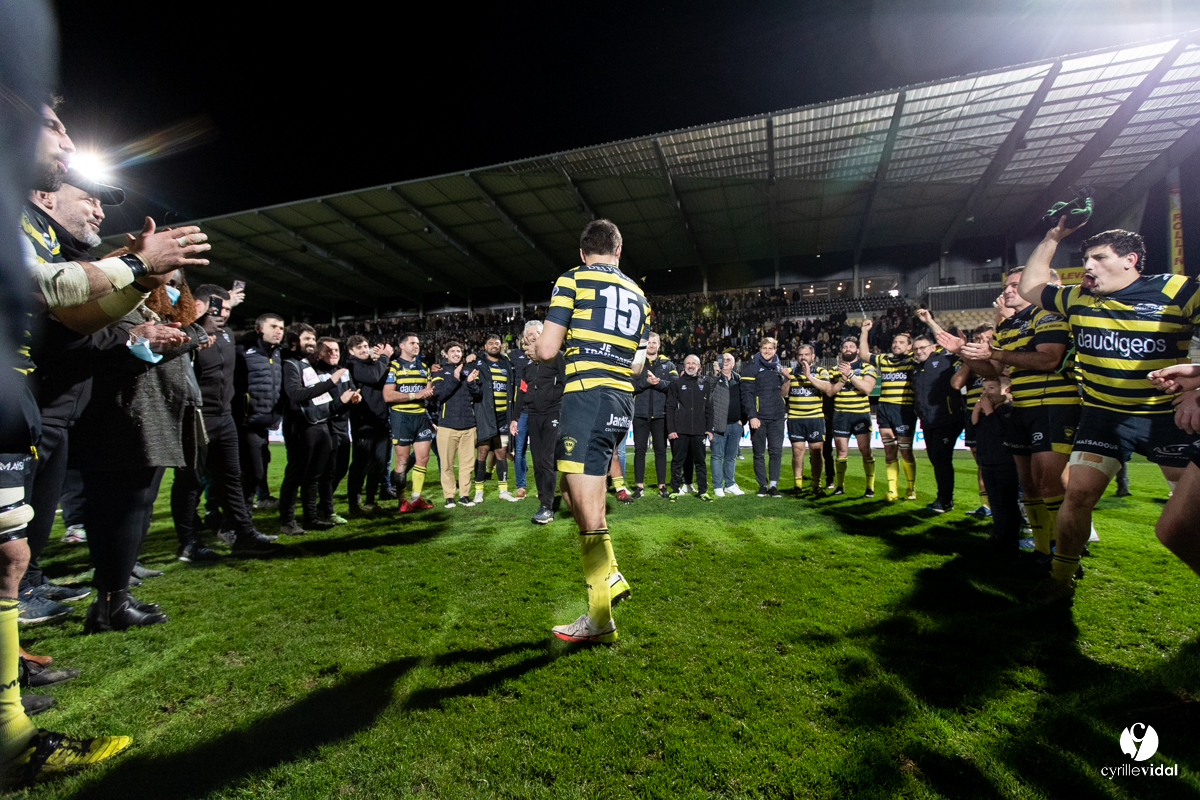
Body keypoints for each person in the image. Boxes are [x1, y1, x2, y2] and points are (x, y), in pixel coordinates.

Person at [1017, 221, 1200, 603]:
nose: (1088, 266)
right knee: (1078, 495)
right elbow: (1029, 287)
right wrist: (1052, 237)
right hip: (1103, 416)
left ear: (1130, 261)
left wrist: (1198, 382)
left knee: (1187, 517)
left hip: (1166, 417)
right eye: (1085, 259)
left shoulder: (1177, 290)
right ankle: (1060, 578)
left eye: (1099, 258)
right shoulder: (1077, 297)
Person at [534, 219, 646, 643]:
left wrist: (571, 348)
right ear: (619, 250)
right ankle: (610, 580)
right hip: (621, 398)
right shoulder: (639, 294)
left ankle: (599, 614)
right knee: (571, 490)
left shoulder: (572, 279)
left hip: (588, 396)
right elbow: (637, 363)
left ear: (583, 253)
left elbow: (546, 350)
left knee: (588, 509)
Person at [956, 267, 1080, 569]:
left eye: (1016, 285)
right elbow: (994, 373)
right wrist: (966, 354)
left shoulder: (1050, 316)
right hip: (1021, 408)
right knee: (1030, 484)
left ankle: (1065, 553)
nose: (1009, 290)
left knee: (1049, 482)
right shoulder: (1009, 326)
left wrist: (996, 354)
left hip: (1052, 405)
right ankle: (1041, 550)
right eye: (1008, 285)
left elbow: (1049, 359)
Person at [171, 285, 276, 558]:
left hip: (225, 418)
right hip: (196, 417)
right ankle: (188, 542)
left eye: (229, 309)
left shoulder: (228, 335)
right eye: (221, 309)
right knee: (190, 481)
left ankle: (244, 534)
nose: (226, 315)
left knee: (232, 478)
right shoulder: (185, 336)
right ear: (200, 306)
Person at [278, 324, 344, 533]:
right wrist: (330, 383)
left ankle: (310, 518)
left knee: (314, 476)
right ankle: (287, 521)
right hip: (301, 425)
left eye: (312, 339)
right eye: (306, 338)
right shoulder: (289, 364)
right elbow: (296, 394)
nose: (311, 343)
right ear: (293, 341)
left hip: (319, 422)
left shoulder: (305, 363)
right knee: (295, 475)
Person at [511, 326, 566, 524]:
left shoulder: (558, 357)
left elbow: (567, 384)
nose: (527, 344)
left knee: (548, 460)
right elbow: (523, 392)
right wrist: (515, 417)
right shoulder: (527, 367)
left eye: (532, 337)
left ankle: (547, 506)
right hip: (533, 415)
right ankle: (544, 502)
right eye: (526, 339)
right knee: (537, 460)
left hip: (553, 413)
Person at [910, 321, 965, 513]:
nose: (918, 351)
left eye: (922, 347)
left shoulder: (945, 359)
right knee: (936, 459)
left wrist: (928, 321)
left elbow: (947, 341)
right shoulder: (916, 367)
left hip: (947, 419)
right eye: (915, 349)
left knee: (941, 458)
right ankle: (943, 498)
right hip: (928, 421)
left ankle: (945, 500)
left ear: (934, 347)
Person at [859, 319, 916, 501]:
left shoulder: (913, 360)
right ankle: (892, 490)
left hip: (904, 410)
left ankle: (910, 488)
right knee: (889, 451)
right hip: (884, 409)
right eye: (894, 342)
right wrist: (865, 331)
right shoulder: (884, 359)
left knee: (906, 451)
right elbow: (864, 354)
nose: (896, 345)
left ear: (909, 346)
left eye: (901, 343)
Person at [235, 313, 284, 510]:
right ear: (258, 329)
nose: (278, 331)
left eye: (281, 328)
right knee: (250, 471)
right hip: (246, 422)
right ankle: (236, 518)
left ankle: (254, 504)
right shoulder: (241, 351)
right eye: (273, 326)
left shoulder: (279, 353)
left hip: (265, 421)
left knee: (261, 465)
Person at [382, 333, 435, 512]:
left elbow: (427, 391)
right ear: (401, 346)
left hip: (420, 418)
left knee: (423, 459)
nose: (416, 346)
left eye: (418, 343)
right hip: (401, 417)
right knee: (403, 460)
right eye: (412, 343)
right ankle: (402, 500)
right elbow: (388, 395)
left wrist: (428, 392)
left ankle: (416, 498)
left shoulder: (424, 367)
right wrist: (415, 395)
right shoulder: (394, 366)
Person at [972, 375, 1023, 553]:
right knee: (995, 502)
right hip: (988, 462)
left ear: (1006, 390)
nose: (986, 393)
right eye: (984, 389)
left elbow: (1000, 431)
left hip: (1005, 463)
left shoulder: (1009, 409)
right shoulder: (987, 410)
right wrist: (977, 411)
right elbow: (974, 428)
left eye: (991, 388)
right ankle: (999, 535)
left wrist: (989, 411)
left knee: (1007, 502)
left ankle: (1011, 539)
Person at [823, 337, 878, 497]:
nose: (848, 349)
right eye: (845, 347)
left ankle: (870, 487)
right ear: (841, 351)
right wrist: (842, 379)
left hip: (860, 415)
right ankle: (840, 486)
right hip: (840, 416)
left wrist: (851, 375)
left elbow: (867, 389)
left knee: (865, 451)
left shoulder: (867, 367)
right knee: (841, 451)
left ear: (857, 350)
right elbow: (831, 391)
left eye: (851, 346)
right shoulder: (834, 370)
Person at [313, 337, 360, 523]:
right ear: (319, 353)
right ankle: (326, 510)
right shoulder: (314, 373)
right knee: (328, 472)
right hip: (326, 426)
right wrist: (341, 400)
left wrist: (356, 396)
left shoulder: (344, 372)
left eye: (336, 350)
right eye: (328, 350)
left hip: (342, 427)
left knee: (340, 469)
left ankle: (321, 506)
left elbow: (353, 390)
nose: (333, 353)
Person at [345, 335, 393, 516]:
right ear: (351, 352)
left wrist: (382, 359)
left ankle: (370, 501)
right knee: (360, 464)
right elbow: (373, 377)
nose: (365, 350)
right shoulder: (353, 365)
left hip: (380, 421)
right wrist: (384, 357)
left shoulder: (372, 364)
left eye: (366, 346)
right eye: (360, 348)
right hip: (364, 422)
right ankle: (354, 504)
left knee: (379, 463)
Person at [432, 341, 481, 508]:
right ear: (446, 354)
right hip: (447, 426)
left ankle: (465, 495)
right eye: (452, 351)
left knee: (467, 465)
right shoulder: (439, 371)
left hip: (468, 425)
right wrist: (454, 378)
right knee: (446, 464)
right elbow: (439, 395)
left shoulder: (469, 370)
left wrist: (471, 382)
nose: (456, 354)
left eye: (458, 351)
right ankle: (449, 496)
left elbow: (478, 395)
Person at [470, 334, 517, 503]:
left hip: (503, 417)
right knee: (482, 452)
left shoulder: (507, 364)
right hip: (485, 416)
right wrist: (475, 355)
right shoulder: (479, 362)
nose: (494, 346)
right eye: (490, 343)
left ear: (501, 346)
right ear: (485, 346)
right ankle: (478, 491)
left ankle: (503, 490)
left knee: (501, 452)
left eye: (497, 343)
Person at [742, 337, 789, 497]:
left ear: (775, 350)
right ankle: (762, 485)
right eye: (764, 348)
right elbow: (746, 394)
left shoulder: (778, 368)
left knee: (776, 452)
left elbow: (783, 393)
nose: (767, 351)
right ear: (760, 349)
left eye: (770, 348)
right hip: (759, 418)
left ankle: (773, 485)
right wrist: (752, 416)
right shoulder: (752, 367)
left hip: (777, 417)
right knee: (759, 453)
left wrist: (787, 379)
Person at [631, 332, 676, 498]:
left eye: (654, 342)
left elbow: (674, 386)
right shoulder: (637, 364)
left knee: (661, 452)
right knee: (639, 451)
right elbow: (630, 386)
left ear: (659, 344)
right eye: (648, 342)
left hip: (660, 415)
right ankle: (639, 487)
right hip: (640, 414)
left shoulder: (668, 364)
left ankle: (662, 487)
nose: (651, 345)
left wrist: (658, 382)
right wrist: (645, 383)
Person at [666, 355, 713, 500]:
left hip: (699, 430)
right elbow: (670, 408)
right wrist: (671, 429)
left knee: (700, 461)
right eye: (688, 363)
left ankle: (702, 491)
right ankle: (675, 489)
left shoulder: (705, 384)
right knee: (677, 461)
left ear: (699, 366)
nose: (691, 366)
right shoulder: (676, 384)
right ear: (683, 365)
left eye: (694, 363)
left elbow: (710, 408)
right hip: (680, 430)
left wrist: (709, 429)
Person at [785, 344, 829, 496]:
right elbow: (783, 394)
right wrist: (786, 379)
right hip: (795, 418)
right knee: (797, 452)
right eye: (800, 355)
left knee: (816, 452)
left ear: (813, 356)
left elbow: (827, 388)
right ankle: (797, 485)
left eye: (806, 354)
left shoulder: (821, 371)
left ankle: (816, 484)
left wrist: (809, 375)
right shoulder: (791, 372)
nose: (803, 357)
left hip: (814, 417)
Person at [508, 321, 539, 499]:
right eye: (529, 335)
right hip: (523, 412)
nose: (532, 338)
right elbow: (521, 391)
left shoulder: (549, 355)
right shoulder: (513, 356)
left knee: (538, 451)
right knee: (519, 451)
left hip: (539, 412)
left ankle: (541, 486)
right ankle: (521, 486)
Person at [709, 352, 746, 497]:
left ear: (733, 363)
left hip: (736, 425)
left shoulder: (738, 379)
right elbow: (708, 394)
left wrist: (743, 419)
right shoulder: (713, 378)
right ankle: (718, 486)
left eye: (728, 359)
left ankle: (730, 484)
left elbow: (744, 400)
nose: (725, 362)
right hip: (718, 425)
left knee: (730, 457)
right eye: (722, 359)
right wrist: (715, 374)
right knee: (717, 456)